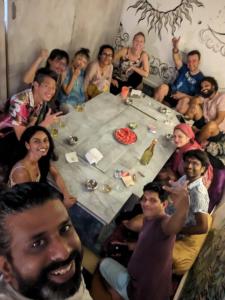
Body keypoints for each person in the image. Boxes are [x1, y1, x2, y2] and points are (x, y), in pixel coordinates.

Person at [0, 182, 92, 300]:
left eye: (65, 229)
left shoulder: (63, 270)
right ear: (7, 268)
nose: (64, 252)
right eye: (37, 243)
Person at [99, 181, 189, 300]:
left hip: (140, 292)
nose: (146, 203)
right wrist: (131, 245)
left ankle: (116, 294)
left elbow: (175, 225)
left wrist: (183, 206)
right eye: (144, 199)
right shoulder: (149, 218)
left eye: (153, 200)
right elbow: (149, 241)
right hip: (157, 288)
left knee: (103, 263)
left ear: (164, 204)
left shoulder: (164, 224)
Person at [0, 68, 62, 183]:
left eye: (53, 87)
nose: (51, 91)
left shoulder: (41, 100)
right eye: (46, 86)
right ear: (35, 85)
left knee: (43, 141)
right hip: (5, 137)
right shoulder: (20, 102)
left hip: (19, 132)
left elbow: (32, 125)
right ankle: (11, 178)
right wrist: (45, 123)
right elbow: (22, 139)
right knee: (32, 147)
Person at [8, 125, 76, 208]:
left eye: (45, 140)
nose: (43, 145)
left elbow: (55, 172)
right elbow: (29, 205)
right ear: (27, 145)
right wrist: (63, 206)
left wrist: (66, 196)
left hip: (36, 194)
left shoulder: (40, 156)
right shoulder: (21, 172)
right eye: (37, 141)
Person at [172, 149, 212, 275]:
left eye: (195, 163)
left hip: (179, 227)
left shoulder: (198, 194)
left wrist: (180, 230)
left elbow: (203, 227)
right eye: (187, 162)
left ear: (203, 169)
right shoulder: (187, 177)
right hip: (173, 213)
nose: (189, 166)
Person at [154, 37, 204, 114]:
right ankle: (152, 111)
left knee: (185, 101)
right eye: (189, 61)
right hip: (172, 92)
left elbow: (199, 99)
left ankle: (172, 121)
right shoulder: (184, 68)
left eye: (194, 61)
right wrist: (175, 47)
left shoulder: (201, 79)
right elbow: (176, 59)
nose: (191, 63)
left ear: (199, 62)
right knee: (162, 87)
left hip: (183, 100)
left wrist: (184, 95)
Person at [158, 123, 213, 189]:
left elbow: (192, 178)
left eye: (180, 136)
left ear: (188, 137)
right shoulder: (189, 144)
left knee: (161, 176)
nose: (176, 140)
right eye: (174, 136)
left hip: (193, 185)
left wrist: (172, 176)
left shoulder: (189, 154)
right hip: (187, 176)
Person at [186, 76, 225, 143]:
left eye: (206, 85)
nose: (204, 88)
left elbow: (220, 119)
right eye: (202, 87)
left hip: (216, 130)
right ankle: (184, 129)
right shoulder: (205, 97)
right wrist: (195, 101)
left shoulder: (222, 97)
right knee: (194, 106)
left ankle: (195, 142)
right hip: (204, 123)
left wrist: (200, 130)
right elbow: (194, 102)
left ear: (213, 86)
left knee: (211, 124)